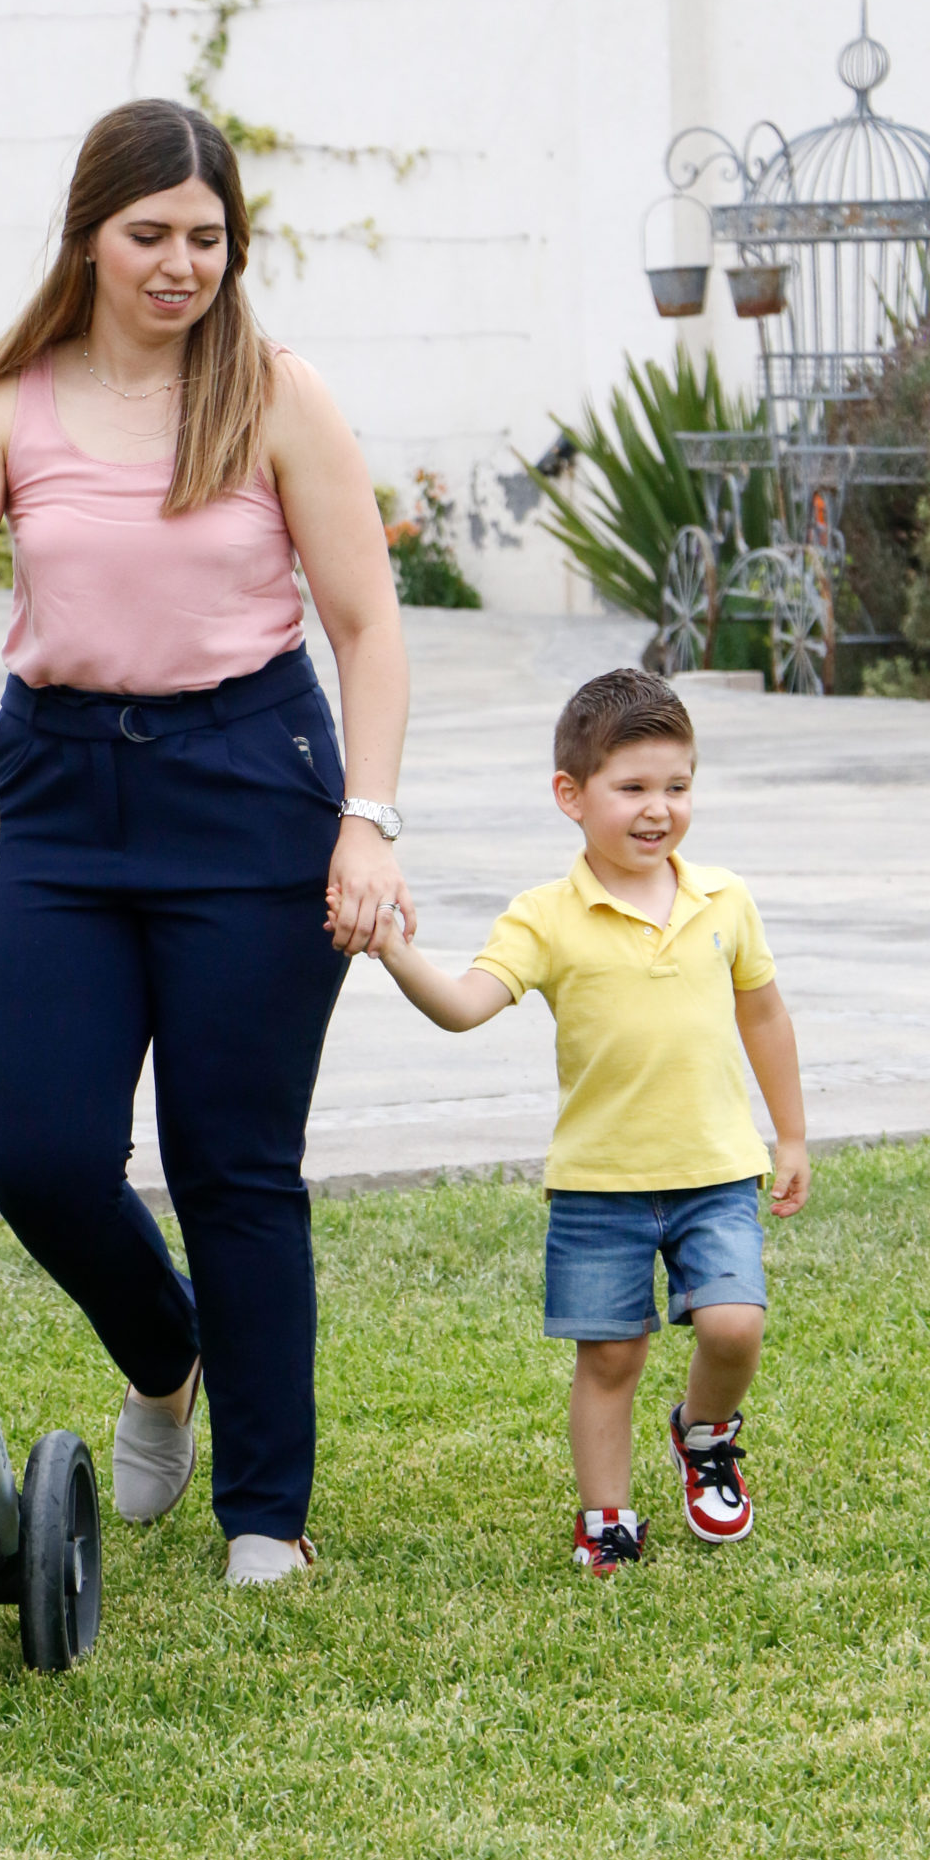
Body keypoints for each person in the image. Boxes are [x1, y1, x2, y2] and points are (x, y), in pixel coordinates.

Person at [0, 98, 412, 1586]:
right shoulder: (8, 403)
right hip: (56, 791)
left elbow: (364, 626)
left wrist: (364, 819)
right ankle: (164, 1360)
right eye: (148, 236)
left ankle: (265, 1516)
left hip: (253, 785)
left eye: (206, 239)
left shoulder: (275, 394)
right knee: (38, 1152)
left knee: (234, 1163)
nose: (178, 265)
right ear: (88, 237)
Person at [367, 668, 808, 1577]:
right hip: (598, 1186)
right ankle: (606, 1519)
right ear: (570, 795)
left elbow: (762, 1015)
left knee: (733, 1327)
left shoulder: (723, 901)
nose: (658, 811)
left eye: (677, 787)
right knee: (609, 1359)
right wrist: (393, 950)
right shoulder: (543, 916)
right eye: (633, 788)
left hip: (715, 1171)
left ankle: (704, 1435)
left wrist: (791, 1135)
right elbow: (461, 1006)